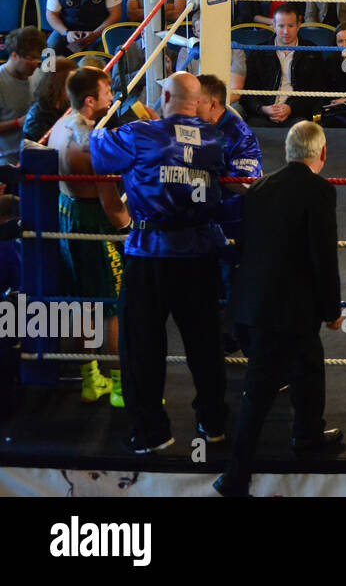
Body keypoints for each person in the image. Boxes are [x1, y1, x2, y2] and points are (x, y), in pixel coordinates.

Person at [88, 72, 231, 454]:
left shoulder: (140, 134)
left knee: (141, 346)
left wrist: (119, 117)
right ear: (199, 101)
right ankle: (214, 423)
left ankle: (152, 433)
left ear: (164, 94)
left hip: (150, 253)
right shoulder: (216, 139)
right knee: (205, 344)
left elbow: (98, 149)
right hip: (200, 254)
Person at [214, 121, 343, 497]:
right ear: (321, 154)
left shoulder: (260, 188)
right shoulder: (319, 191)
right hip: (286, 308)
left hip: (251, 303)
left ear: (288, 152)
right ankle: (236, 475)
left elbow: (245, 245)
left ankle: (306, 433)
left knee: (305, 367)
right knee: (262, 389)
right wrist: (331, 309)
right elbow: (324, 255)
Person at [47, 66, 129, 406]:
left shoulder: (60, 126)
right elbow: (112, 207)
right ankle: (123, 389)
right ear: (91, 100)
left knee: (83, 302)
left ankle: (91, 379)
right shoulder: (92, 145)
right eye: (108, 91)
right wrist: (130, 229)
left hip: (66, 213)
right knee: (112, 306)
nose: (113, 97)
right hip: (94, 220)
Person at [193, 73, 262, 354]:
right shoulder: (195, 126)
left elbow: (248, 184)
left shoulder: (239, 134)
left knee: (236, 289)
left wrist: (213, 170)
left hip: (232, 225)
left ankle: (258, 363)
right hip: (205, 223)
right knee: (210, 290)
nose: (189, 106)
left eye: (194, 101)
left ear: (212, 104)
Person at [240, 6, 324, 127]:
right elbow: (248, 91)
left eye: (290, 26)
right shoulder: (258, 51)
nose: (286, 32)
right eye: (281, 26)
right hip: (262, 115)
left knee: (303, 129)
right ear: (273, 25)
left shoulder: (312, 52)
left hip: (298, 115)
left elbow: (316, 92)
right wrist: (263, 108)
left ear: (299, 25)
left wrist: (291, 108)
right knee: (252, 130)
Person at [0, 26, 43, 161]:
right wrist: (19, 122)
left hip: (36, 152)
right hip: (7, 159)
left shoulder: (37, 74)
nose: (35, 64)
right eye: (31, 59)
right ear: (14, 55)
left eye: (38, 59)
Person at [22, 56, 75, 143]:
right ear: (58, 83)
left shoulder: (68, 104)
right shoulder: (37, 116)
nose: (76, 87)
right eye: (71, 82)